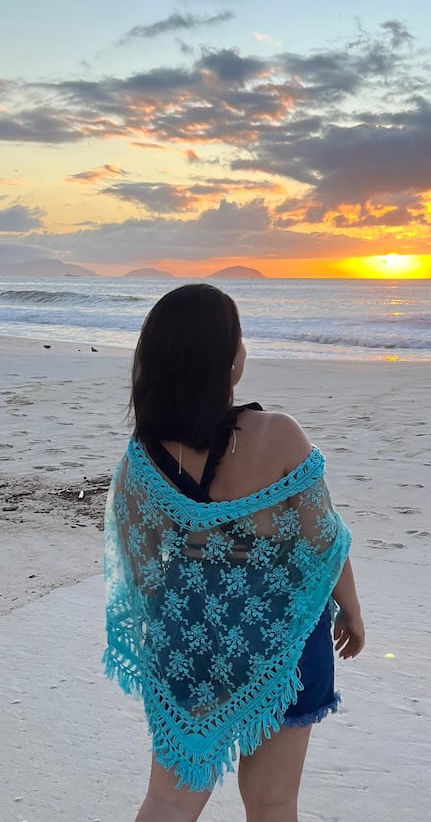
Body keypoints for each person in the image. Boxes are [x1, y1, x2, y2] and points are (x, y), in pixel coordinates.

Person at [103, 283, 364, 822]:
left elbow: (144, 568)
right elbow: (324, 540)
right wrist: (353, 611)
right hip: (284, 636)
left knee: (168, 800)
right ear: (227, 357)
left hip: (191, 640)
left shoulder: (141, 457)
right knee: (272, 803)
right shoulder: (279, 435)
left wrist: (195, 623)